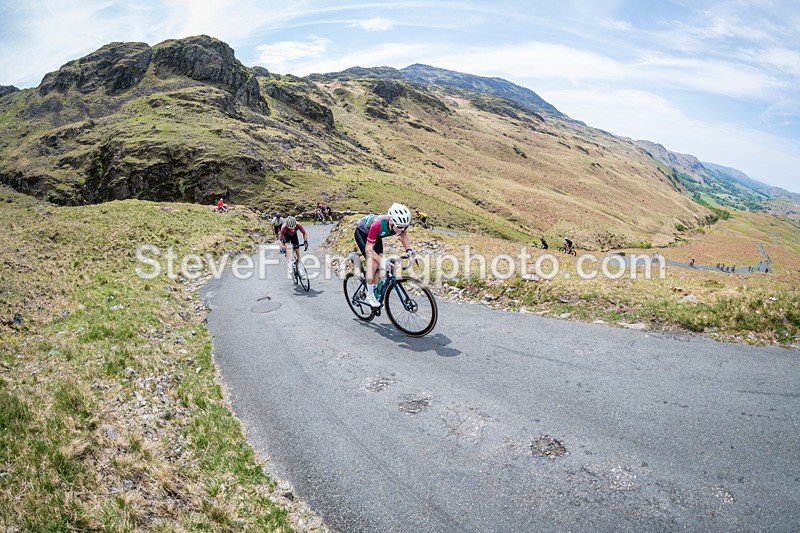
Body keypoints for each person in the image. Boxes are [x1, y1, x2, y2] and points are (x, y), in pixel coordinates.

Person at [355, 203, 415, 308]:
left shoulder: (399, 225)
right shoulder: (378, 225)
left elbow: (403, 235)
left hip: (376, 236)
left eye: (404, 227)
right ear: (391, 221)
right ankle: (370, 295)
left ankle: (375, 288)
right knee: (374, 263)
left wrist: (409, 251)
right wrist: (382, 261)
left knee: (380, 267)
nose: (402, 229)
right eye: (399, 227)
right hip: (362, 232)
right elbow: (369, 249)